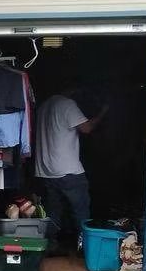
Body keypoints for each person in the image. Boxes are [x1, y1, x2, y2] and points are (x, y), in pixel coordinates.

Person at [34, 91, 109, 255]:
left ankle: (51, 246)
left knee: (52, 212)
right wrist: (103, 112)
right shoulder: (67, 104)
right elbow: (86, 128)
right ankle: (86, 249)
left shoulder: (43, 107)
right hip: (68, 170)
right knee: (81, 211)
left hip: (45, 170)